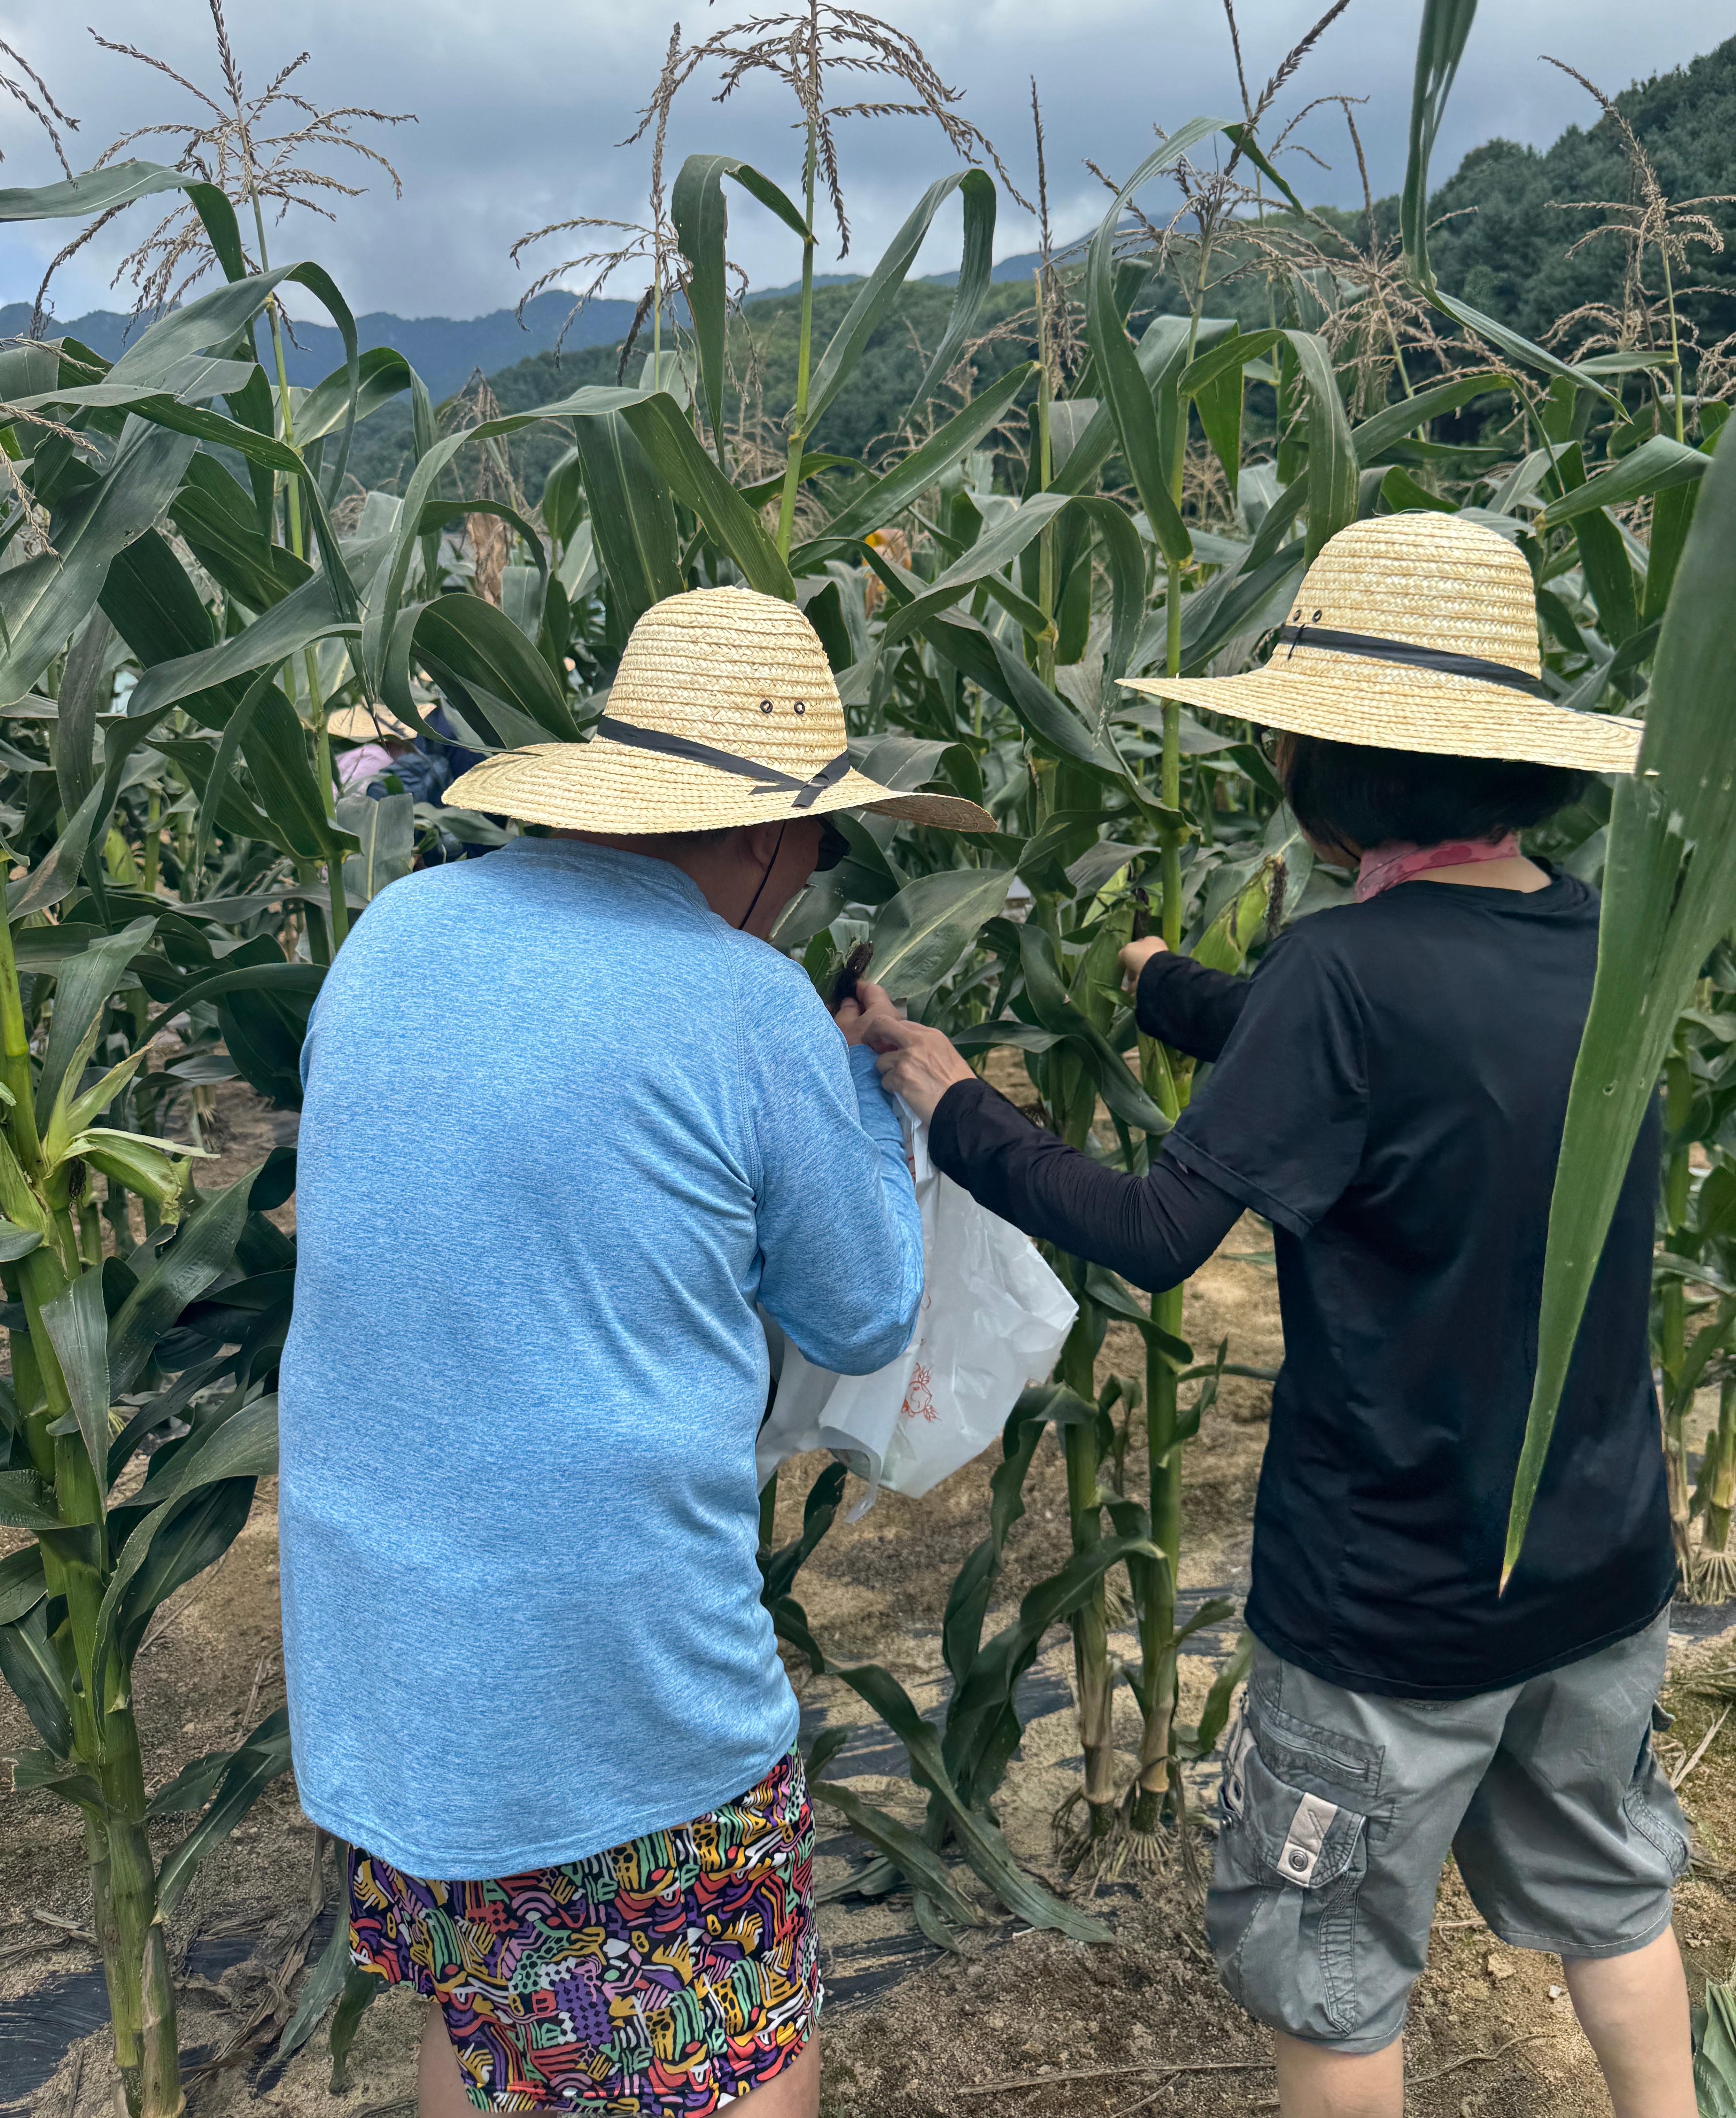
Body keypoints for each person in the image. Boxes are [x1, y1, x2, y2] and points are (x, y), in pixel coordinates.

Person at [855, 514, 1691, 2118]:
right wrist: (1172, 987)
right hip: (1596, 1574)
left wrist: (959, 1104)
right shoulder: (1598, 940)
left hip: (1391, 1611)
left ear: (1330, 765)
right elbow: (1390, 1063)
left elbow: (1162, 1234)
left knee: (1330, 1978)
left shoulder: (1343, 971)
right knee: (1614, 1899)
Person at [279, 589, 993, 2118]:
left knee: (492, 2022)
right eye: (821, 842)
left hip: (389, 1656)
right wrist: (870, 1099)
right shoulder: (745, 1005)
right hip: (603, 1673)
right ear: (753, 839)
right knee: (735, 2051)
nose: (816, 876)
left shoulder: (397, 930)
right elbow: (861, 1313)